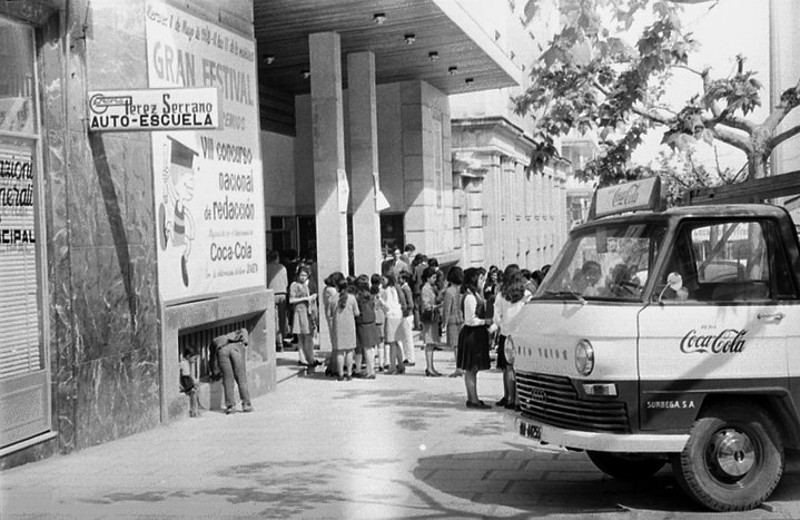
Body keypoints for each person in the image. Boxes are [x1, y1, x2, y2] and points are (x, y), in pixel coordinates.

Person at [493, 265, 532, 409]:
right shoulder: (527, 295)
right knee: (520, 368)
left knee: (508, 368)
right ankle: (519, 400)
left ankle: (508, 397)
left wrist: (503, 323)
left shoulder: (501, 295)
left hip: (506, 334)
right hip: (521, 335)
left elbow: (496, 318)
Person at [456, 267, 492, 409]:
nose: (482, 282)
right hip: (472, 334)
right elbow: (470, 320)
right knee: (471, 369)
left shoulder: (475, 294)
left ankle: (473, 398)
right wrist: (485, 322)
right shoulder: (470, 297)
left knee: (472, 369)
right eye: (480, 279)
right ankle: (473, 399)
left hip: (476, 334)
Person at [211, 328, 253, 415]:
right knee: (241, 378)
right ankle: (246, 404)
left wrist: (214, 373)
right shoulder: (236, 333)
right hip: (235, 350)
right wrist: (245, 342)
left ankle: (230, 406)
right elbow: (245, 331)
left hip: (221, 351)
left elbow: (212, 360)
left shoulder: (214, 342)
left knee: (228, 380)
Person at [290, 266, 318, 374]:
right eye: (301, 275)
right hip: (299, 311)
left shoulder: (305, 286)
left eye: (305, 275)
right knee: (301, 336)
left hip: (307, 313)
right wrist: (306, 298)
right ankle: (302, 358)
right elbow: (291, 300)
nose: (303, 277)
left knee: (307, 335)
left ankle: (309, 357)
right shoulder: (294, 285)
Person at [331, 277, 359, 381]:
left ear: (337, 287)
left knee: (339, 351)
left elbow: (330, 313)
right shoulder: (352, 298)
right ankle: (349, 373)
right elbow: (357, 313)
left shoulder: (333, 298)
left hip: (338, 327)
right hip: (350, 326)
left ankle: (341, 374)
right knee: (349, 350)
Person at [378, 274, 405, 374]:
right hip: (398, 315)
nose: (382, 281)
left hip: (391, 316)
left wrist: (380, 300)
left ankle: (392, 366)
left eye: (383, 279)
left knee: (392, 343)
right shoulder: (394, 289)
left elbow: (387, 306)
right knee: (397, 342)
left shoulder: (387, 291)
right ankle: (400, 364)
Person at [442, 266, 464, 378]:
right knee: (461, 344)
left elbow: (446, 308)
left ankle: (459, 367)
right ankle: (462, 366)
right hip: (462, 318)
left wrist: (443, 322)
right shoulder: (462, 290)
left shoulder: (449, 291)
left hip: (452, 320)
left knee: (455, 345)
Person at [420, 266, 443, 376]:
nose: (435, 279)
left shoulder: (432, 288)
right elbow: (427, 305)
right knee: (429, 343)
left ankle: (431, 367)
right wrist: (438, 306)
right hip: (429, 318)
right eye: (433, 277)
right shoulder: (426, 288)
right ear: (428, 278)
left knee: (432, 343)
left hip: (434, 318)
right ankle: (429, 368)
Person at [354, 275, 378, 379]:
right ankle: (369, 369)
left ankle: (370, 371)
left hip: (362, 323)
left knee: (365, 348)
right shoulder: (370, 296)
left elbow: (357, 312)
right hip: (372, 322)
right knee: (371, 347)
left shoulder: (358, 297)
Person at [322, 272, 345, 376]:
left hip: (330, 316)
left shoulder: (327, 289)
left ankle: (332, 366)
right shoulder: (331, 290)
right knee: (336, 343)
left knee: (335, 343)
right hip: (333, 318)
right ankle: (333, 367)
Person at [266, 250, 289, 351]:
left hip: (272, 294)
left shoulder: (266, 268)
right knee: (282, 318)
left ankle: (278, 342)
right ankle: (282, 338)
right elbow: (286, 282)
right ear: (277, 258)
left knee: (274, 319)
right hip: (282, 293)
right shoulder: (282, 268)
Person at [397, 271, 416, 366]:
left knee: (408, 337)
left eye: (400, 278)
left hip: (407, 315)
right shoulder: (403, 288)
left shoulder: (406, 289)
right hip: (405, 315)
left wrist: (404, 309)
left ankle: (410, 358)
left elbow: (410, 303)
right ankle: (407, 356)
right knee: (405, 337)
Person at [371, 274, 388, 372]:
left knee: (372, 344)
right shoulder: (382, 292)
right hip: (381, 318)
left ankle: (372, 364)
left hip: (372, 319)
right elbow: (386, 306)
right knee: (381, 342)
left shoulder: (369, 293)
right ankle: (381, 363)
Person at [179, 343, 201, 418]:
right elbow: (186, 379)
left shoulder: (185, 362)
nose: (195, 361)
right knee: (193, 392)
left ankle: (196, 408)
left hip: (184, 383)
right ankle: (193, 410)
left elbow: (190, 376)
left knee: (195, 389)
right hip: (181, 385)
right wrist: (192, 386)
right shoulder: (184, 364)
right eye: (195, 359)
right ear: (188, 356)